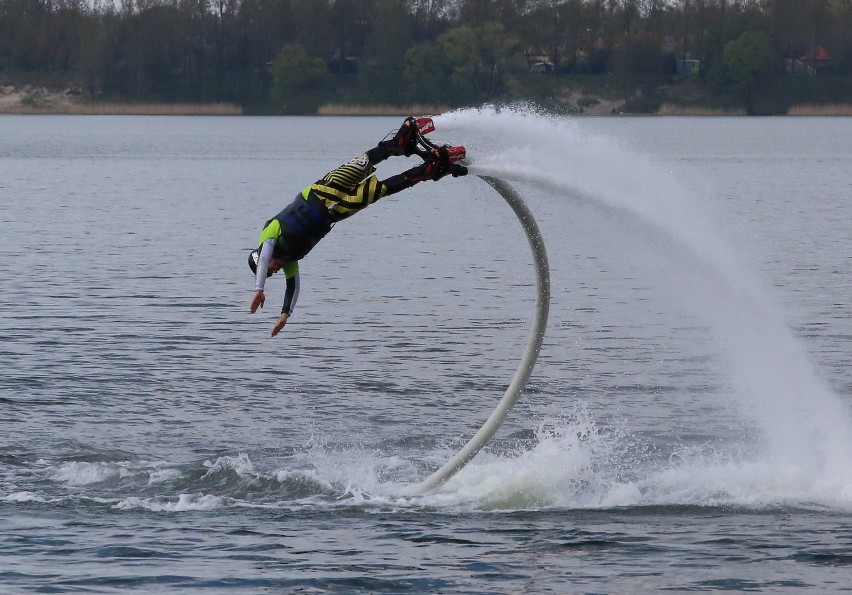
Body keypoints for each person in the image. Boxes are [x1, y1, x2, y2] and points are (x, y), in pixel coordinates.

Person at [248, 117, 468, 336]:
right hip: (336, 212)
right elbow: (293, 287)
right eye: (271, 274)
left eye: (269, 270)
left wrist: (259, 289)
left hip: (321, 190)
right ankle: (427, 169)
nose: (274, 271)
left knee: (363, 162)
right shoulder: (290, 261)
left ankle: (398, 142)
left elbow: (265, 256)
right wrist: (285, 315)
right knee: (380, 190)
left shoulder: (268, 235)